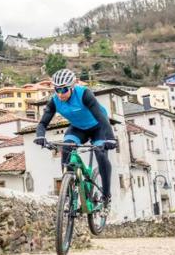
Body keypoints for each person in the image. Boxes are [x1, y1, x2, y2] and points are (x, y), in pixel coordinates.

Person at [33, 68, 117, 211]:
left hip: (98, 127)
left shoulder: (84, 94)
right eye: (57, 89)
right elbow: (42, 123)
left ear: (72, 87)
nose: (60, 94)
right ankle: (67, 194)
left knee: (100, 154)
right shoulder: (54, 101)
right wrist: (40, 136)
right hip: (78, 128)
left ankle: (106, 196)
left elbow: (101, 117)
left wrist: (110, 138)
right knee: (66, 147)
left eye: (64, 89)